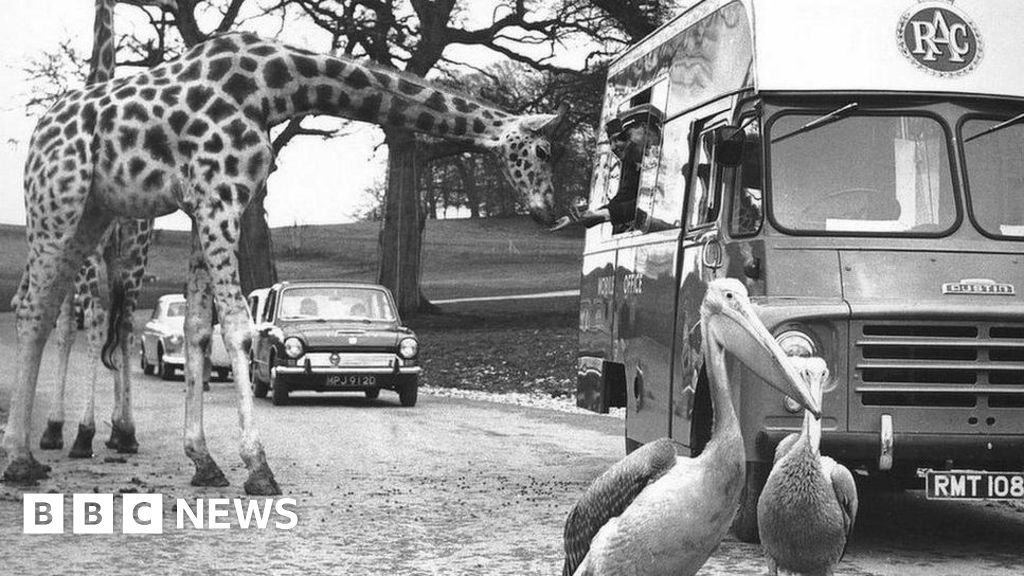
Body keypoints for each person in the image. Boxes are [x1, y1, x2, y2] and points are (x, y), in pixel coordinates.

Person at [551, 104, 663, 232]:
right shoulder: (634, 165)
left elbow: (651, 202)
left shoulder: (672, 153)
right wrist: (578, 218)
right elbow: (621, 200)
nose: (613, 147)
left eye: (624, 137)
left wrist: (601, 215)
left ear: (644, 127)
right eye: (610, 142)